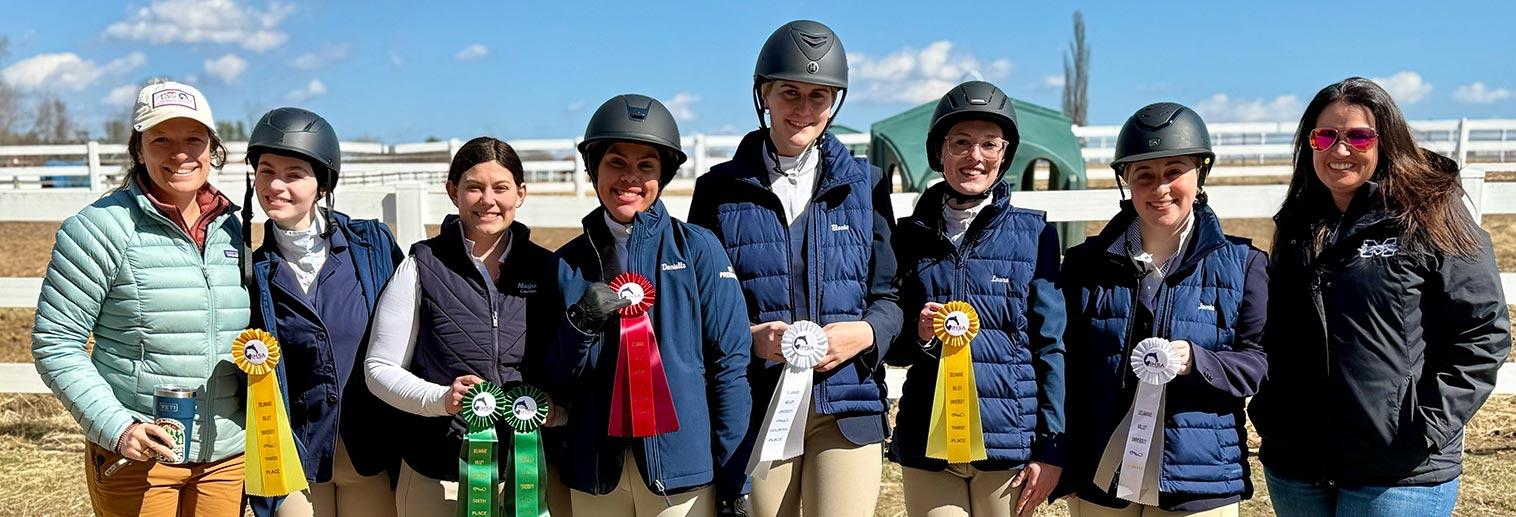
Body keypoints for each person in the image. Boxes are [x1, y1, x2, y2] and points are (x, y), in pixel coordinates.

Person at [1250, 77, 1511, 517]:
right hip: (1298, 466)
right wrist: (1273, 414)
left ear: (1385, 140)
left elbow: (1483, 332)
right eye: (1325, 136)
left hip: (1399, 472)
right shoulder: (1297, 223)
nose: (1340, 149)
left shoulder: (1431, 215)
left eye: (1359, 136)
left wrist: (1426, 427)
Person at [688, 20, 901, 517]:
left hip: (847, 404)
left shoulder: (867, 185)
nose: (803, 109)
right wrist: (749, 337)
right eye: (790, 92)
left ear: (834, 102)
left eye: (818, 95)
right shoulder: (717, 190)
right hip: (758, 405)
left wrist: (867, 333)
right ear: (764, 94)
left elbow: (891, 296)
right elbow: (700, 305)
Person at [31, 80, 249, 516]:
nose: (180, 154)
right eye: (162, 139)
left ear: (212, 147)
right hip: (140, 455)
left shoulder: (231, 228)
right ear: (138, 148)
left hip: (227, 456)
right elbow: (56, 342)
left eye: (193, 139)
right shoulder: (98, 229)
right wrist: (119, 428)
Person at [1057, 102, 1268, 517]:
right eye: (1145, 175)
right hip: (1102, 475)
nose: (1160, 188)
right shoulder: (1083, 265)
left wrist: (1200, 362)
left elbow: (1260, 364)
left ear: (1199, 175)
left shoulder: (1246, 265)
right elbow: (1065, 366)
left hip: (1198, 477)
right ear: (1126, 181)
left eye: (1174, 172)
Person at [548, 94, 751, 517]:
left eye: (645, 166)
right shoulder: (566, 264)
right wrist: (580, 325)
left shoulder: (699, 249)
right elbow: (554, 378)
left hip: (679, 472)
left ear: (662, 176)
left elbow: (729, 365)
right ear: (595, 169)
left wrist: (735, 479)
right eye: (616, 163)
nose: (630, 178)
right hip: (595, 472)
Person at [885, 81, 1066, 517]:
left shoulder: (1037, 235)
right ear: (940, 151)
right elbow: (893, 347)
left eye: (989, 144)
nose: (975, 156)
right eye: (961, 143)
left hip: (1008, 442)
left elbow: (1051, 345)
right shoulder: (907, 237)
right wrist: (919, 334)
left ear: (1005, 153)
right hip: (927, 442)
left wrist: (1052, 445)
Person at [363, 136, 567, 517]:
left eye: (500, 188)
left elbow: (573, 363)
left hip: (529, 480)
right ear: (452, 191)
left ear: (521, 194)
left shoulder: (550, 270)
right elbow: (379, 369)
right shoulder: (420, 266)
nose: (488, 200)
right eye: (474, 187)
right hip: (436, 477)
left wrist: (559, 413)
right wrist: (440, 399)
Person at [242, 107, 405, 517]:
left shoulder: (372, 247)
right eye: (266, 171)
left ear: (322, 184)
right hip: (294, 457)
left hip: (369, 454)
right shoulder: (250, 271)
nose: (275, 185)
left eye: (293, 174)